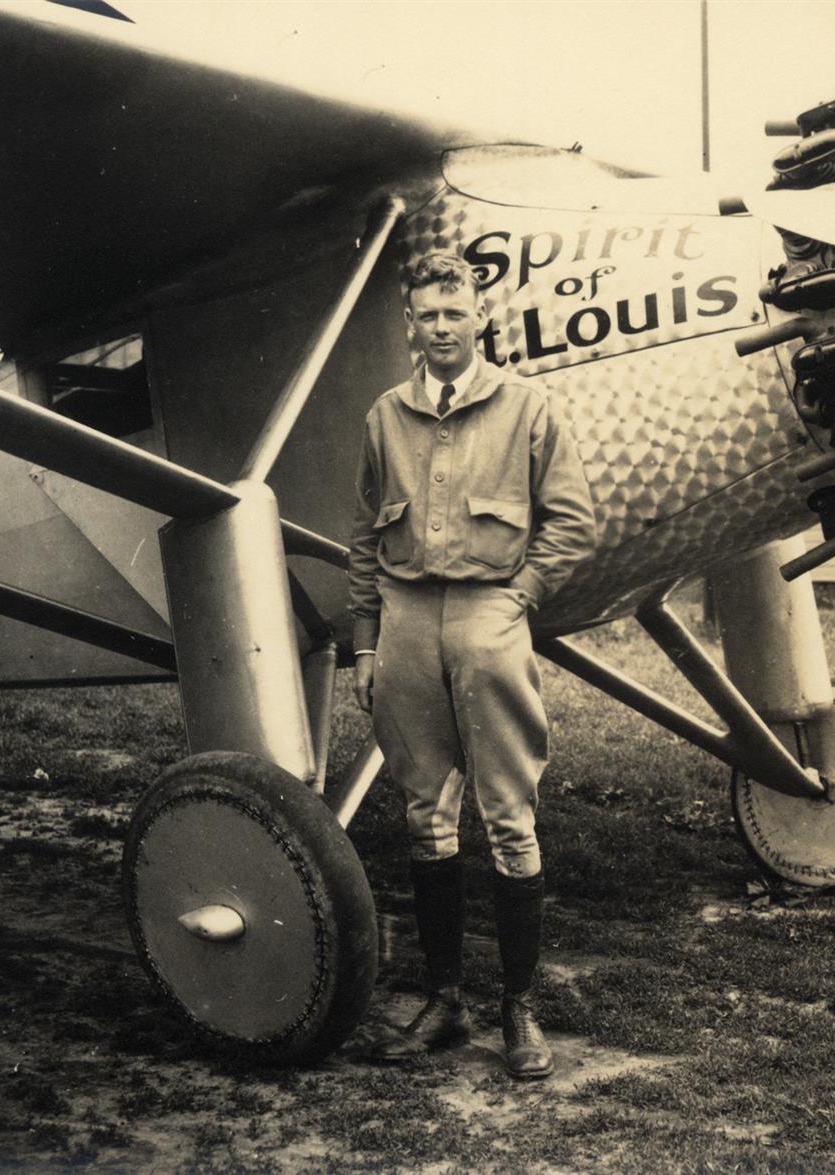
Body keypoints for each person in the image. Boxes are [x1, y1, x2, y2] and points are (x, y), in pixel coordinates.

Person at [346, 251, 597, 1079]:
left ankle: (518, 1008)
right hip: (407, 622)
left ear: (481, 318)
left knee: (510, 816)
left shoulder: (527, 407)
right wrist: (366, 641)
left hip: (492, 614)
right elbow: (363, 539)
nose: (443, 328)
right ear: (410, 325)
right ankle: (446, 1000)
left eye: (456, 312)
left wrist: (521, 595)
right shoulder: (386, 416)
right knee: (426, 814)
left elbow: (573, 521)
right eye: (428, 315)